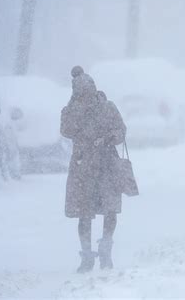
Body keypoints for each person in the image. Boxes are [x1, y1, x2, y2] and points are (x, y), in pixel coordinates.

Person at [60, 66, 126, 273]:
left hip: (101, 165)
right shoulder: (72, 110)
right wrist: (73, 107)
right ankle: (88, 255)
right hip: (84, 167)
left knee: (108, 209)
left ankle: (104, 252)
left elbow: (120, 131)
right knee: (85, 213)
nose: (84, 98)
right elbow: (66, 130)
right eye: (80, 94)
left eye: (86, 93)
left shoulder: (107, 107)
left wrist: (107, 139)